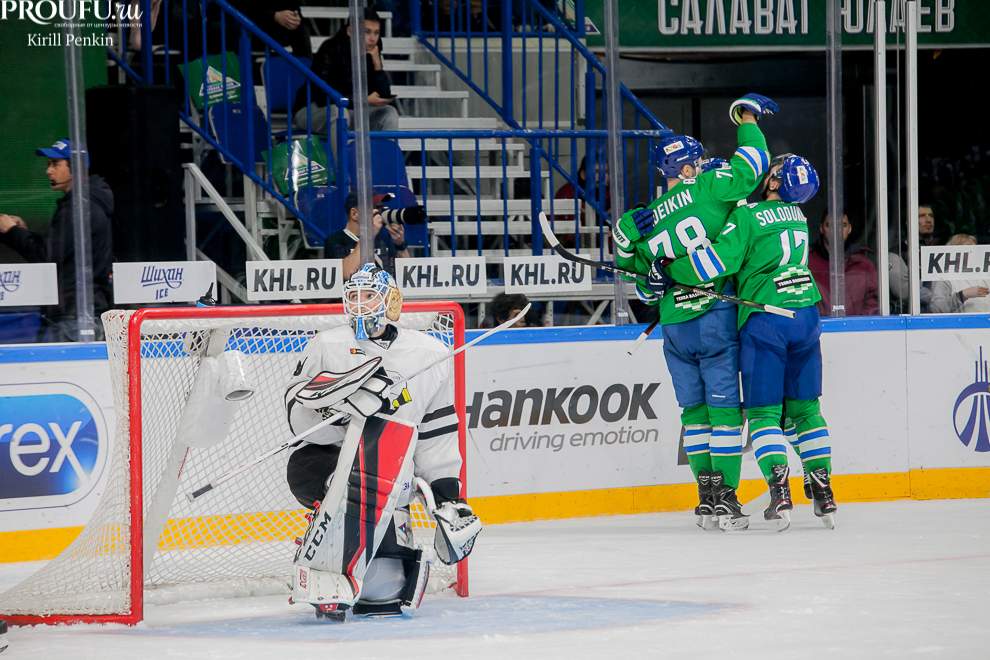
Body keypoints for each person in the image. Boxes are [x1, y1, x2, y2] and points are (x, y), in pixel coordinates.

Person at [612, 92, 777, 531]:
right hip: (711, 319)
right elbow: (753, 165)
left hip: (674, 329)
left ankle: (704, 496)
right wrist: (746, 118)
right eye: (698, 162)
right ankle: (725, 496)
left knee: (694, 414)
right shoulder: (707, 187)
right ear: (686, 168)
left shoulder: (646, 218)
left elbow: (641, 278)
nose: (703, 166)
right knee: (724, 415)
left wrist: (625, 238)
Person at [283, 263, 480, 619]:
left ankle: (377, 560)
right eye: (353, 296)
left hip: (392, 475)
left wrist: (449, 494)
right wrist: (340, 408)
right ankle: (324, 568)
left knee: (383, 593)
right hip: (326, 461)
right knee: (352, 487)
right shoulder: (327, 344)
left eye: (369, 296)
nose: (360, 305)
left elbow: (436, 434)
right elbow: (297, 413)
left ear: (391, 301)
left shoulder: (428, 354)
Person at [654, 154, 837, 531]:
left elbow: (714, 264)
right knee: (806, 411)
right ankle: (823, 489)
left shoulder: (748, 216)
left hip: (766, 319)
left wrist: (669, 270)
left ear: (773, 182)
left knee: (763, 415)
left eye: (771, 173)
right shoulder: (798, 216)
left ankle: (780, 492)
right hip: (806, 315)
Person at [0, 139, 113, 342]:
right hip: (78, 314)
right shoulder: (86, 203)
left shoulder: (78, 208)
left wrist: (11, 231)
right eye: (48, 165)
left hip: (72, 317)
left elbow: (46, 256)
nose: (48, 171)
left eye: (55, 164)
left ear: (76, 168)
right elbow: (61, 252)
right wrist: (22, 231)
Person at [292, 8, 398, 133]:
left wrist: (377, 63)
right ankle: (343, 153)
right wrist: (362, 100)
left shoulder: (372, 52)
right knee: (339, 113)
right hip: (313, 109)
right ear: (350, 31)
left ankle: (384, 153)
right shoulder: (330, 48)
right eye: (367, 32)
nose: (372, 39)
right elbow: (323, 96)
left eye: (376, 33)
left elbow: (383, 94)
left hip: (352, 110)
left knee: (389, 113)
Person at [808, 211, 879, 316]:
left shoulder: (863, 264)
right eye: (830, 225)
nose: (837, 230)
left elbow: (873, 303)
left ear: (849, 228)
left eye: (843, 225)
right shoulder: (808, 262)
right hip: (820, 329)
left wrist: (858, 325)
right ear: (821, 228)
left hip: (858, 329)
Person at [325, 192, 411, 279]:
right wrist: (368, 235)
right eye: (375, 208)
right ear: (354, 214)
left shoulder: (384, 237)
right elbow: (346, 273)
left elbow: (408, 276)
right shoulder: (335, 240)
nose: (380, 213)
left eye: (381, 208)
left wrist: (401, 245)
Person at [890, 204, 939, 313]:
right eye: (921, 216)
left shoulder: (942, 249)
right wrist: (939, 294)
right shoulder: (897, 252)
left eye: (931, 215)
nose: (928, 220)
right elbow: (903, 291)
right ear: (908, 222)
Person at [929, 234, 990, 313]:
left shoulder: (985, 274)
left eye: (974, 249)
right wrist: (962, 295)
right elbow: (937, 309)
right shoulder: (944, 277)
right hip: (959, 324)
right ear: (954, 253)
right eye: (967, 249)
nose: (973, 253)